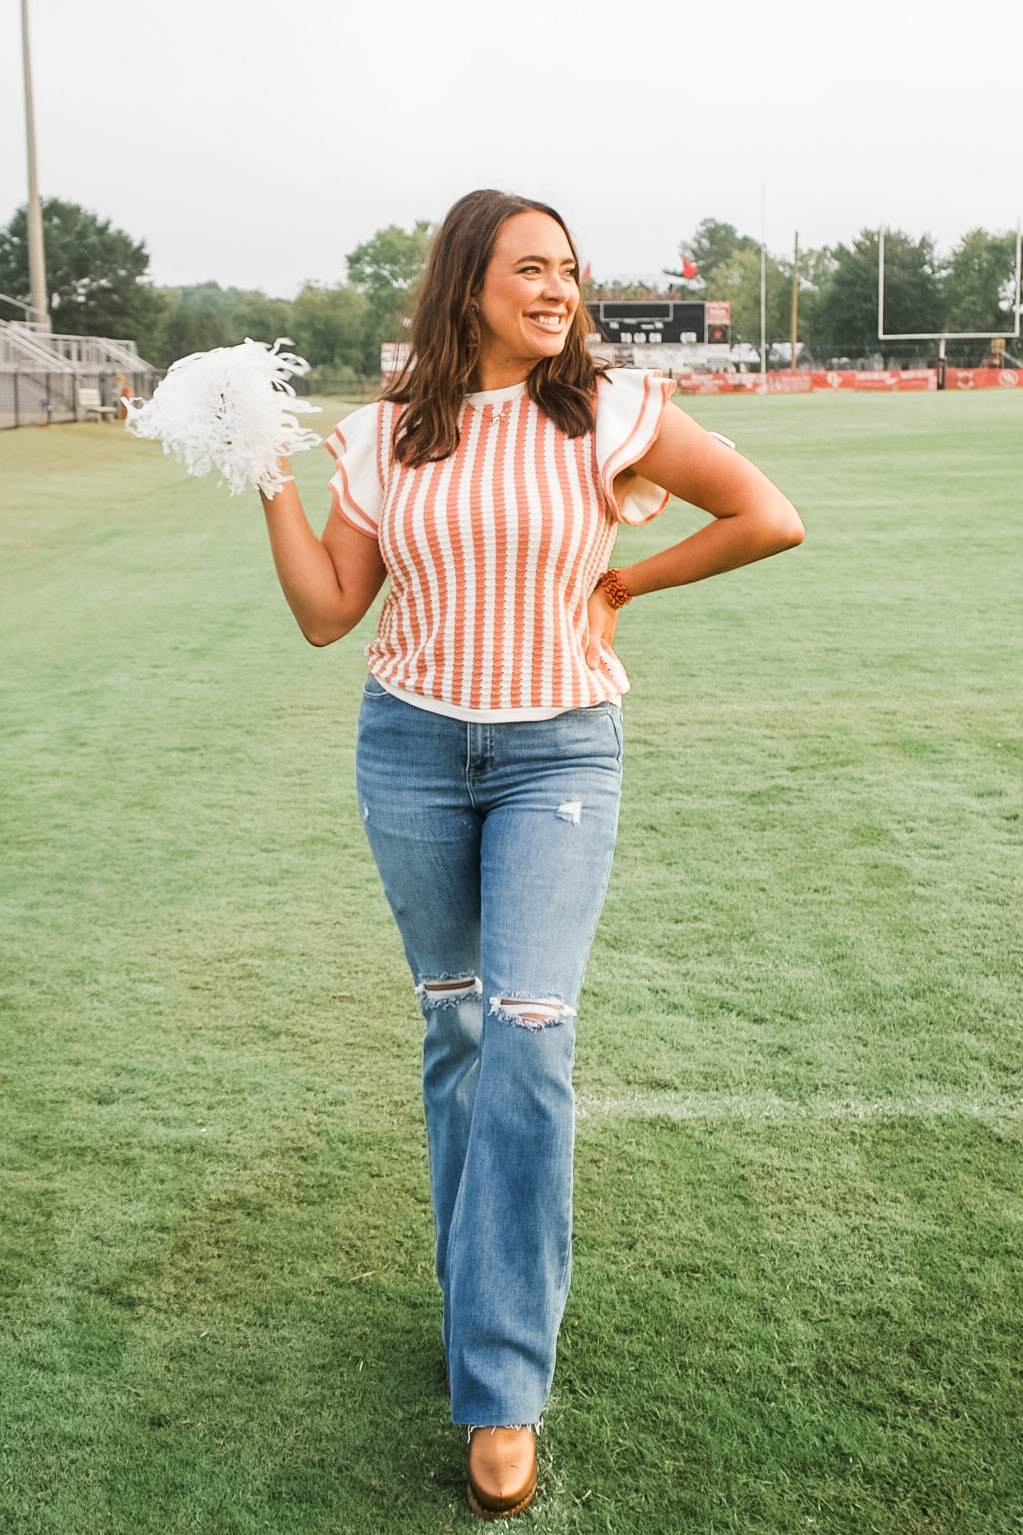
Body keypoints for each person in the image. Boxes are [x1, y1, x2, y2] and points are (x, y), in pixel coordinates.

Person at [259, 188, 804, 1519]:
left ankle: (501, 1381)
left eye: (570, 270)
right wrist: (266, 474)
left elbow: (766, 514)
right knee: (456, 1037)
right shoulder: (386, 436)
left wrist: (623, 582)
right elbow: (333, 613)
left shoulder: (610, 412)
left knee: (529, 1032)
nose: (558, 288)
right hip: (413, 757)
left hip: (560, 757)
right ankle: (483, 1289)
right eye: (530, 267)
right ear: (466, 281)